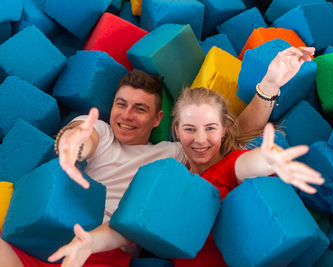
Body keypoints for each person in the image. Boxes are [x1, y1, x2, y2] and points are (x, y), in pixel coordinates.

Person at [0, 46, 316, 267]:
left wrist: (269, 86)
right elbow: (81, 136)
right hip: (44, 233)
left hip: (102, 250)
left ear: (158, 121)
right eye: (121, 105)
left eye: (140, 109)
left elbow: (233, 138)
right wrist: (72, 146)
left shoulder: (174, 155)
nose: (126, 115)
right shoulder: (99, 128)